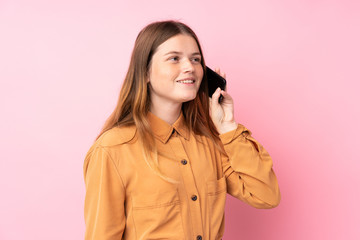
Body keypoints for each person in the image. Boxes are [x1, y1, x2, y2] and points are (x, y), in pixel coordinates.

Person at [83, 20, 281, 240]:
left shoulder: (213, 142)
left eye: (195, 59)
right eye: (174, 58)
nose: (190, 67)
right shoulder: (112, 150)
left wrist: (228, 127)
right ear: (145, 72)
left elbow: (266, 195)